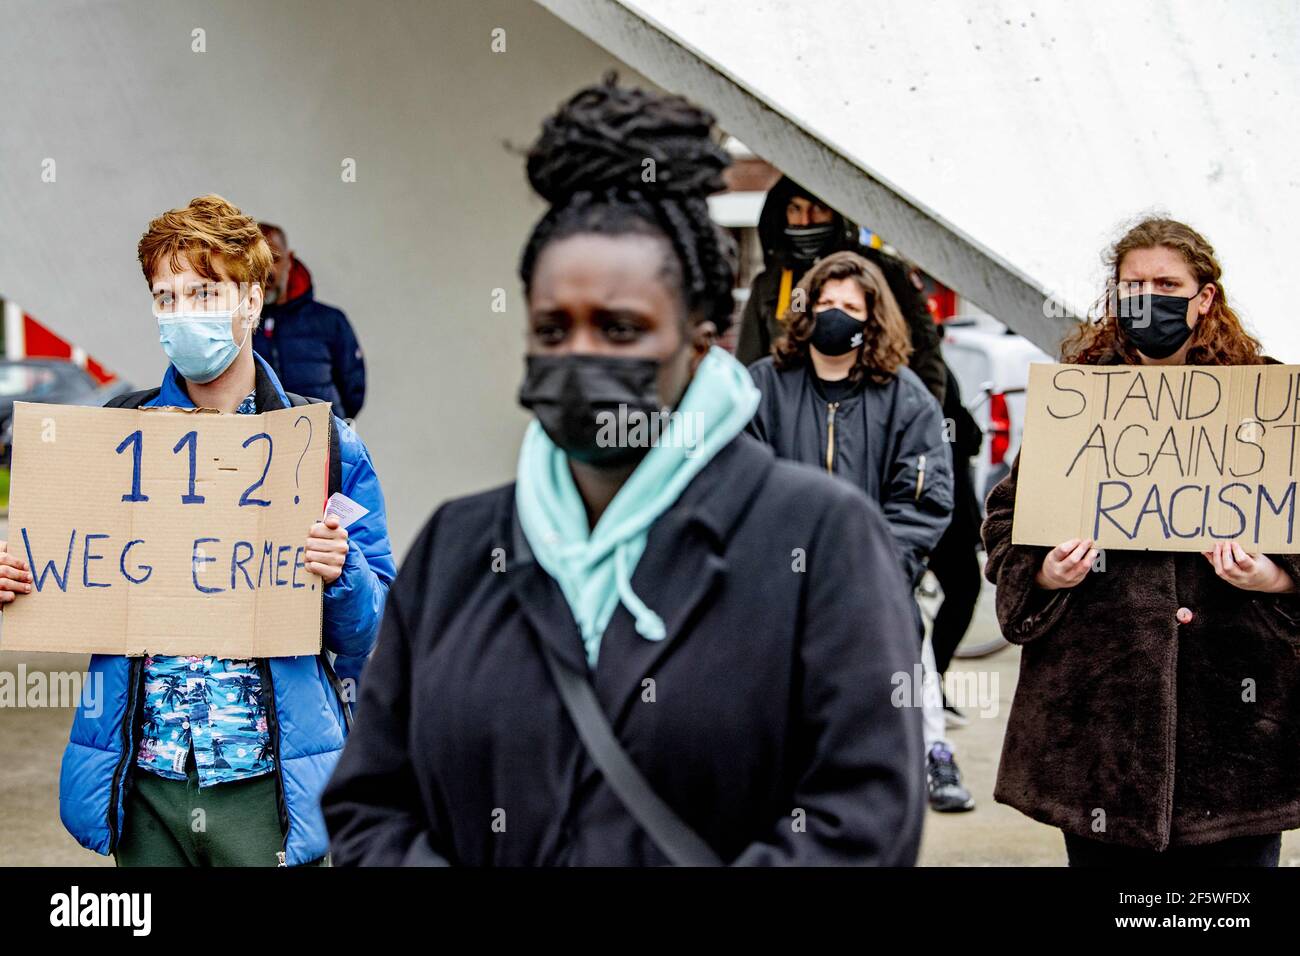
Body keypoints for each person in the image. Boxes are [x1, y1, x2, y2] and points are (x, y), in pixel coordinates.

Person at [321, 78, 924, 866]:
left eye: (620, 328)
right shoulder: (457, 550)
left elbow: (862, 822)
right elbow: (370, 805)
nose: (581, 356)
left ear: (700, 339)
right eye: (552, 328)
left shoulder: (819, 539)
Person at [0, 195, 397, 866]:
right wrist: (18, 581)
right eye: (167, 296)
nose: (183, 314)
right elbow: (73, 571)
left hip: (266, 788)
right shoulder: (114, 436)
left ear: (250, 300)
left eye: (204, 292)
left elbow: (372, 630)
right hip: (146, 784)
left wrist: (343, 574)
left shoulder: (324, 445)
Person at [983, 217, 1300, 866]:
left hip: (1235, 730)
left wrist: (1276, 578)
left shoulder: (1262, 401)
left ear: (1204, 297)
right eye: (1134, 284)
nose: (1149, 296)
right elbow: (1004, 524)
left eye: (1167, 283)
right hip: (1102, 726)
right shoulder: (1077, 401)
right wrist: (1046, 574)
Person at [745, 250, 974, 813]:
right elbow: (737, 482)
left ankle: (931, 753)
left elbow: (921, 498)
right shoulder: (762, 386)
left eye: (851, 305)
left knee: (904, 665)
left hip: (871, 583)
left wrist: (876, 572)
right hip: (780, 585)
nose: (836, 314)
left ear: (872, 318)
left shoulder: (906, 397)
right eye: (825, 302)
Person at [733, 175, 946, 406]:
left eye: (819, 209)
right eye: (795, 209)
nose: (805, 221)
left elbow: (927, 358)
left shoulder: (886, 272)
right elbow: (748, 369)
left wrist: (921, 422)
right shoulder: (770, 284)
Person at [255, 222, 367, 420]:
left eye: (275, 259)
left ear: (289, 259)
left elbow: (354, 391)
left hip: (324, 441)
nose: (267, 271)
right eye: (258, 261)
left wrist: (333, 425)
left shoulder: (330, 321)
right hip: (263, 442)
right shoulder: (238, 325)